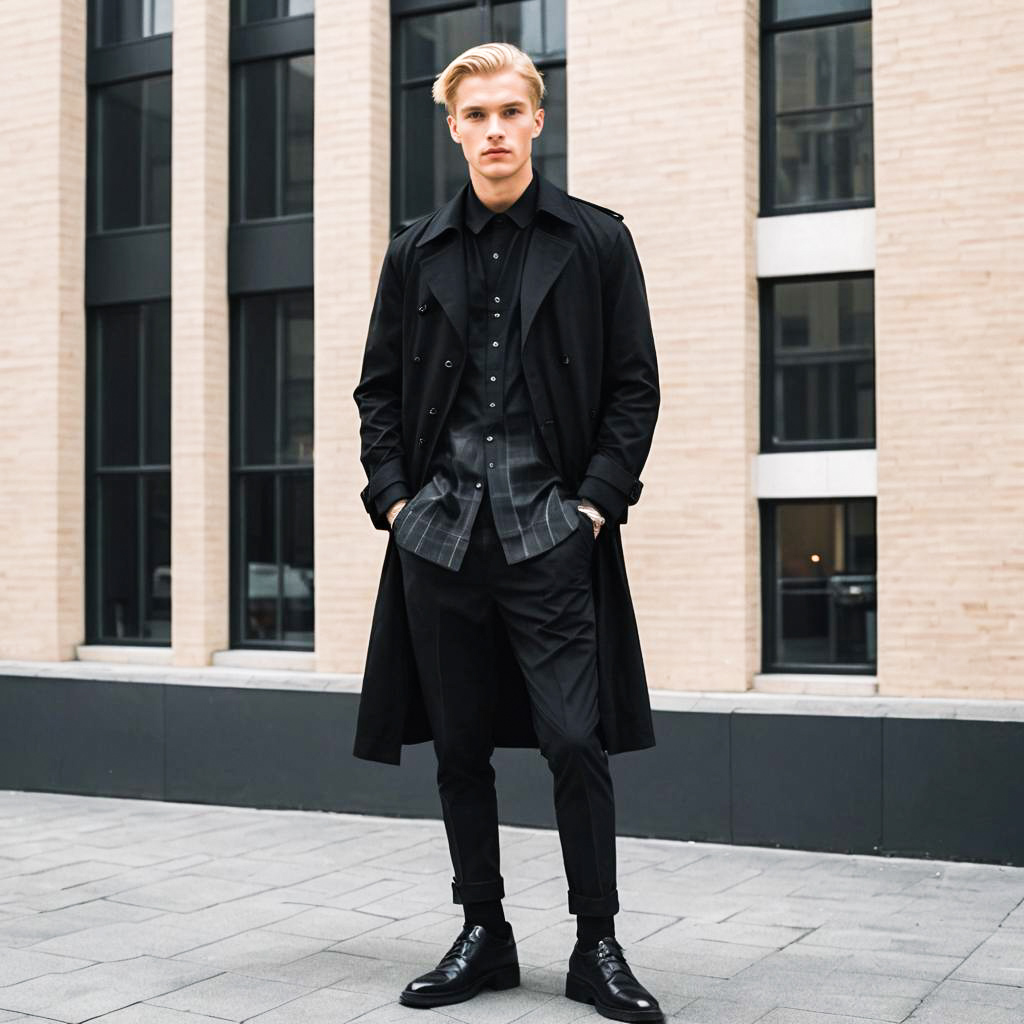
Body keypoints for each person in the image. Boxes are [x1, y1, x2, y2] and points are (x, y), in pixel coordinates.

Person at [352, 41, 663, 1022]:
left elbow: (633, 387)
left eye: (507, 113)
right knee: (458, 747)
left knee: (577, 740)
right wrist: (395, 504)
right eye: (473, 116)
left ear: (536, 120)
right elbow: (378, 393)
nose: (492, 130)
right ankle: (482, 931)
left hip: (549, 535)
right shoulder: (415, 250)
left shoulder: (597, 240)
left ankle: (596, 942)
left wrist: (594, 504)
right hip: (438, 537)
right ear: (453, 129)